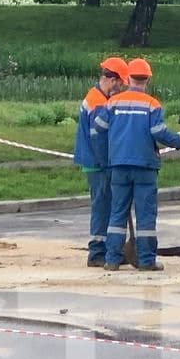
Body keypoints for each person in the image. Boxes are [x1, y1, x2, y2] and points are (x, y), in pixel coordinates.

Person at [92, 57, 180, 272]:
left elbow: (98, 127)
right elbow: (158, 132)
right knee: (145, 216)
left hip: (119, 166)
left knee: (117, 214)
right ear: (148, 80)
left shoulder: (113, 102)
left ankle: (112, 260)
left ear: (128, 79)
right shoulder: (152, 104)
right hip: (145, 166)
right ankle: (146, 260)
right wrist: (179, 141)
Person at [73, 56, 128, 267]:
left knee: (103, 206)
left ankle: (104, 250)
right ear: (112, 80)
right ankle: (97, 253)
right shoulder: (97, 102)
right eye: (120, 84)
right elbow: (99, 139)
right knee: (102, 207)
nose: (120, 88)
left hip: (93, 161)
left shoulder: (96, 96)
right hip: (98, 164)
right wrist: (108, 163)